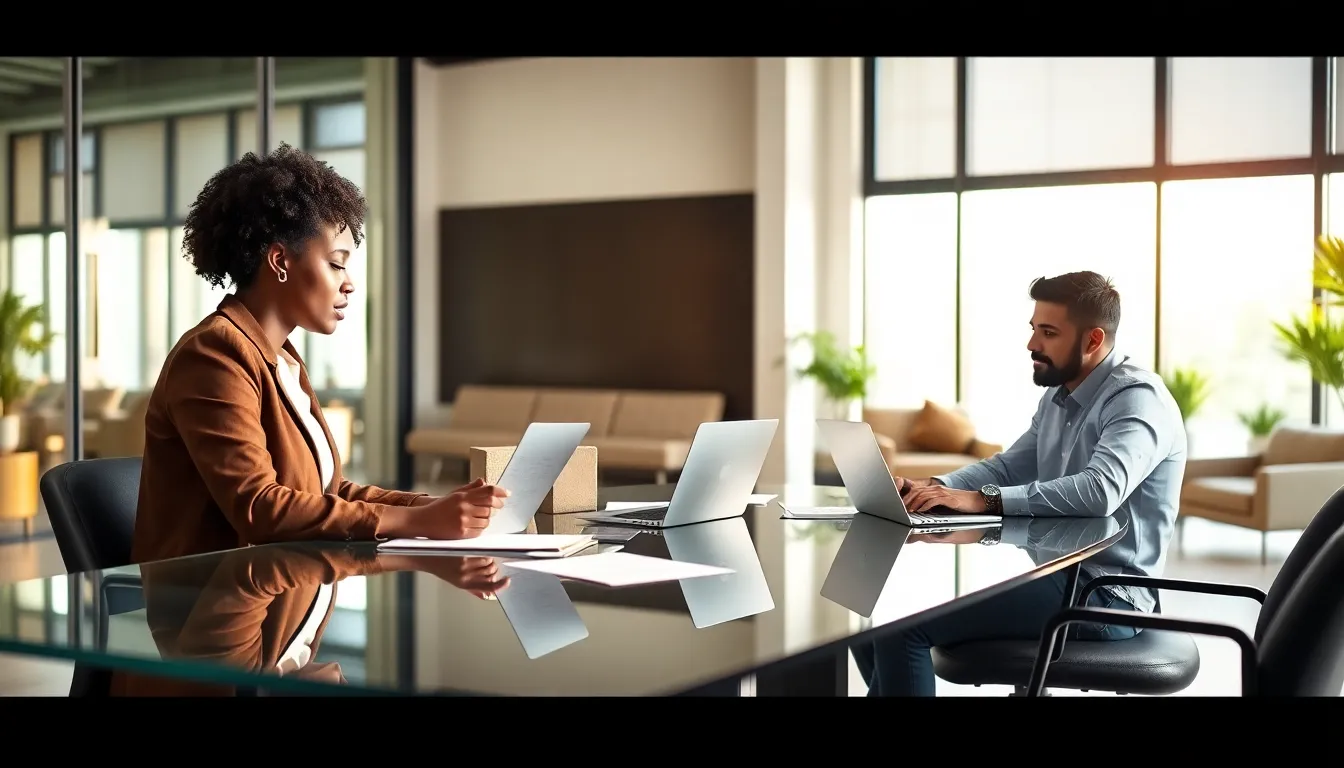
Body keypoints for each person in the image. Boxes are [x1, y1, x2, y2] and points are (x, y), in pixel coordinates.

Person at [133, 144, 508, 564]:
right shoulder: (214, 354)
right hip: (214, 609)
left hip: (282, 595)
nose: (349, 284)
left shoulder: (282, 360)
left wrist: (427, 506)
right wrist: (418, 523)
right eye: (336, 263)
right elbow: (261, 507)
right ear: (279, 261)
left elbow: (329, 492)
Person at [851, 270, 1187, 696]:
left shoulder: (1137, 399)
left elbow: (1100, 490)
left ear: (1093, 341)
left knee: (902, 630)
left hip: (1105, 596)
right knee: (871, 620)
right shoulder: (1059, 396)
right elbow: (1008, 468)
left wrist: (981, 501)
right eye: (1033, 330)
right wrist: (932, 487)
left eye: (1048, 333)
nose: (1032, 344)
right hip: (1055, 573)